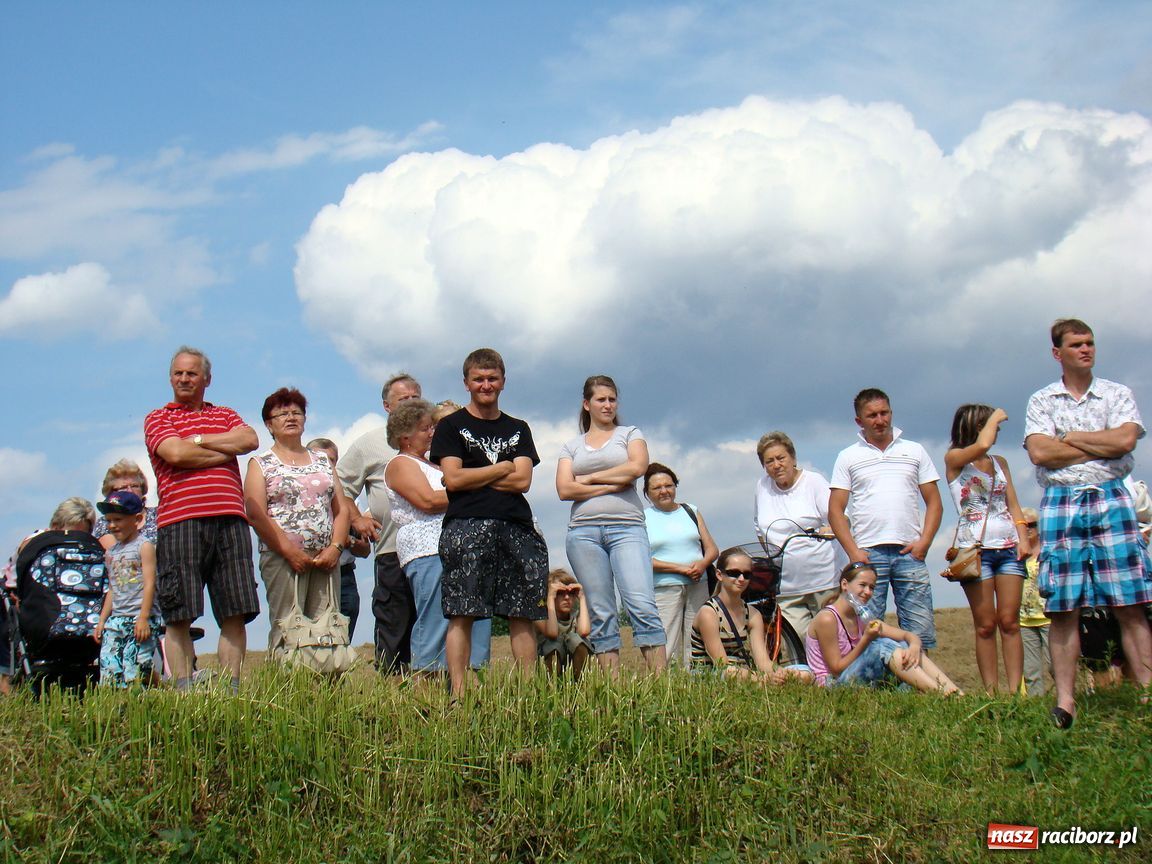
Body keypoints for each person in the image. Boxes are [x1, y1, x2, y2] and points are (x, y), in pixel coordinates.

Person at [1024, 318, 1152, 728]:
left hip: (1112, 496)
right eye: (1077, 344)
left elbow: (1125, 441)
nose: (1086, 349)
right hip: (1062, 501)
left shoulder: (1117, 393)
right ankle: (1066, 702)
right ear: (1056, 352)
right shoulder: (1042, 400)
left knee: (1130, 602)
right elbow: (1041, 453)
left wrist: (1070, 438)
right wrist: (1097, 441)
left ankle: (1147, 698)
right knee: (1064, 605)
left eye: (1090, 343)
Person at [429, 348, 549, 698]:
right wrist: (500, 468)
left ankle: (529, 692)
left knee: (522, 611)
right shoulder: (451, 426)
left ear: (503, 381)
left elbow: (523, 481)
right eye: (479, 379)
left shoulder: (518, 428)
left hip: (517, 526)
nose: (486, 385)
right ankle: (459, 693)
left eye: (492, 378)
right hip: (466, 526)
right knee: (461, 612)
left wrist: (474, 474)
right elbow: (452, 479)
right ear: (466, 382)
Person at [145, 346, 260, 691]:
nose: (184, 379)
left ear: (206, 379)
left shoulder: (225, 413)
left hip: (230, 518)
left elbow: (249, 439)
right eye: (178, 373)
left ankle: (231, 690)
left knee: (235, 610)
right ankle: (183, 688)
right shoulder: (158, 418)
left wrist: (198, 440)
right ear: (170, 377)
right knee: (178, 613)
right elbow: (174, 453)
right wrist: (223, 452)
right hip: (180, 521)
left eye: (191, 373)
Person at [557, 375, 665, 674]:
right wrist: (612, 482)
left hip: (626, 527)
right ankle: (611, 687)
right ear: (586, 404)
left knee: (640, 603)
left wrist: (590, 479)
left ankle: (662, 684)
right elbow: (565, 489)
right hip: (583, 533)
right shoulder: (571, 446)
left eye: (612, 399)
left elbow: (637, 468)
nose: (607, 405)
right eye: (601, 399)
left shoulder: (630, 433)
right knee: (601, 610)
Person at [828, 388, 943, 650]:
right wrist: (854, 551)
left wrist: (924, 542)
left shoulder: (914, 451)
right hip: (869, 554)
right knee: (868, 626)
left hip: (909, 551)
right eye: (872, 416)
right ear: (859, 421)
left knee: (920, 627)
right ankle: (876, 686)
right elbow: (835, 509)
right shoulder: (848, 457)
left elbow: (934, 501)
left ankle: (920, 684)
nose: (880, 420)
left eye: (884, 413)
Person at [384, 399, 491, 675]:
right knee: (436, 617)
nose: (433, 432)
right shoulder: (401, 463)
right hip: (427, 549)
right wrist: (477, 492)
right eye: (426, 428)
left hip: (462, 546)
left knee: (473, 616)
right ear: (405, 437)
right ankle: (426, 684)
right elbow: (428, 500)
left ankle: (470, 682)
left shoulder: (436, 463)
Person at [243, 388, 351, 661]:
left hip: (325, 559)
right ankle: (287, 690)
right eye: (282, 414)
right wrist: (289, 552)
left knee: (327, 627)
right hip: (283, 559)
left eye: (296, 412)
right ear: (269, 424)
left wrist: (336, 548)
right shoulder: (261, 463)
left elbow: (341, 510)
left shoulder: (322, 460)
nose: (290, 418)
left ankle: (327, 692)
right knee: (288, 626)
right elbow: (256, 513)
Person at [337, 373, 422, 673]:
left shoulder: (437, 435)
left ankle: (434, 688)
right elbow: (340, 487)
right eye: (403, 399)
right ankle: (392, 689)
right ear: (387, 406)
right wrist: (357, 518)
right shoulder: (369, 444)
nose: (412, 403)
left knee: (431, 622)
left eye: (416, 397)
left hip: (434, 550)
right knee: (393, 622)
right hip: (391, 549)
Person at [944, 405, 1032, 693]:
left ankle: (1016, 691)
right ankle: (991, 692)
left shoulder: (1000, 462)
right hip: (975, 551)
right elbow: (982, 443)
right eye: (988, 424)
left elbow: (1013, 504)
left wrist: (1023, 536)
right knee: (985, 624)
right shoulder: (955, 459)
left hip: (1007, 547)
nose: (995, 431)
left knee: (1010, 621)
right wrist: (996, 416)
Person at [805, 562, 961, 692]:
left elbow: (907, 635)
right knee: (881, 646)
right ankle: (940, 694)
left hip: (854, 679)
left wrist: (914, 646)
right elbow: (836, 668)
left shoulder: (861, 616)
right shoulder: (827, 618)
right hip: (832, 687)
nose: (867, 592)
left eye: (872, 587)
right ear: (844, 584)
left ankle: (955, 693)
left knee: (905, 646)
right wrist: (866, 639)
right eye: (862, 585)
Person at [754, 431, 840, 639]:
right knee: (799, 642)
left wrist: (828, 529)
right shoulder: (762, 486)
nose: (776, 465)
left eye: (781, 458)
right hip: (787, 585)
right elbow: (759, 527)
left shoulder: (813, 482)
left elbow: (840, 517)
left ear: (793, 458)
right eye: (769, 461)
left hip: (824, 580)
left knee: (831, 640)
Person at [690, 548, 812, 682]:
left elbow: (763, 662)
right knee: (731, 672)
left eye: (747, 574)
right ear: (719, 575)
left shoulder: (752, 613)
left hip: (745, 674)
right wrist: (762, 678)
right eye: (734, 573)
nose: (741, 579)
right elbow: (720, 664)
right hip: (711, 675)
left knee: (804, 672)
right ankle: (765, 682)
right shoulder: (709, 613)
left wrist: (778, 673)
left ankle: (769, 682)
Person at [643, 463, 717, 666]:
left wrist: (702, 565)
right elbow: (642, 559)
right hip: (665, 587)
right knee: (667, 640)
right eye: (657, 488)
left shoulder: (690, 511)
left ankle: (697, 681)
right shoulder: (643, 518)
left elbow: (712, 549)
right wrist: (680, 569)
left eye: (668, 485)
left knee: (697, 637)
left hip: (698, 584)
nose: (664, 491)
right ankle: (666, 684)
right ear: (647, 493)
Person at [92, 491, 162, 687]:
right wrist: (102, 620)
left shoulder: (144, 546)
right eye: (109, 520)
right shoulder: (111, 553)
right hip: (117, 617)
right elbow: (112, 589)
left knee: (137, 667)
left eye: (118, 519)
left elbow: (150, 582)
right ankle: (116, 704)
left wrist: (143, 617)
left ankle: (154, 688)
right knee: (109, 666)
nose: (112, 525)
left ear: (137, 519)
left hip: (139, 616)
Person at [307, 437, 371, 642]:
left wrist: (345, 542)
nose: (326, 465)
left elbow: (365, 550)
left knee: (344, 634)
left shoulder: (351, 499)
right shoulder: (301, 495)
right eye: (320, 459)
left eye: (331, 460)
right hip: (310, 571)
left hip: (344, 575)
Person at [1018, 508, 1052, 696]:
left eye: (1031, 525)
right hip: (1024, 621)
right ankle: (1036, 707)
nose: (1027, 529)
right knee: (1031, 672)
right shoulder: (1016, 556)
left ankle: (1064, 700)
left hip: (1048, 618)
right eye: (1023, 526)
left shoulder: (1047, 552)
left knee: (1055, 665)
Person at [535, 569, 592, 678]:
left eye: (571, 593)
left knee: (577, 640)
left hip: (573, 669)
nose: (566, 598)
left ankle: (581, 683)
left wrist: (582, 597)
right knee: (553, 644)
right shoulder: (541, 617)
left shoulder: (576, 616)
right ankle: (551, 687)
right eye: (560, 593)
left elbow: (584, 632)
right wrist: (550, 598)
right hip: (548, 668)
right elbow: (552, 633)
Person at [92, 460, 158, 550]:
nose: (130, 491)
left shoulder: (158, 514)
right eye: (123, 487)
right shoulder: (106, 522)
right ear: (111, 493)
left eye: (134, 486)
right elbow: (114, 553)